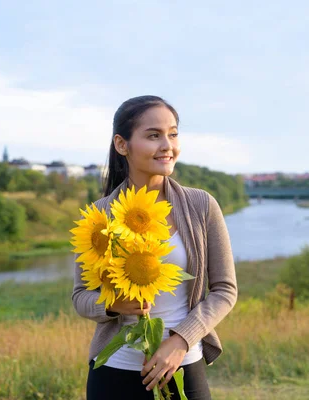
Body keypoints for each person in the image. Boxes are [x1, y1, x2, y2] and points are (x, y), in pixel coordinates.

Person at [72, 95, 237, 400]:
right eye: (153, 135)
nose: (167, 145)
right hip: (115, 372)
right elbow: (80, 296)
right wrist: (112, 306)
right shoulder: (100, 215)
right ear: (122, 145)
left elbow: (225, 290)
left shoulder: (201, 206)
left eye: (173, 134)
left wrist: (180, 341)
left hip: (183, 366)